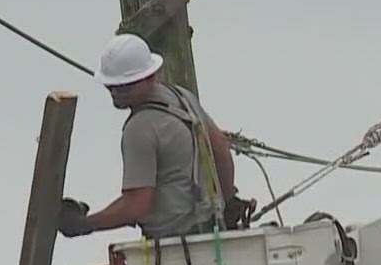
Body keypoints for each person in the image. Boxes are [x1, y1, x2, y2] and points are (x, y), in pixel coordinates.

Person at [58, 33, 252, 239]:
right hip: (209, 234)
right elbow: (219, 148)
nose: (116, 91)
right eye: (111, 85)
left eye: (126, 84)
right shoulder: (181, 97)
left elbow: (137, 204)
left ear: (150, 76)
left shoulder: (140, 129)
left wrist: (84, 223)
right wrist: (228, 202)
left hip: (175, 247)